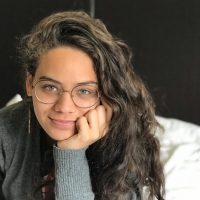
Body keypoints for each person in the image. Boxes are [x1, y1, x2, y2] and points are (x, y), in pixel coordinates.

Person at [0, 11, 165, 200]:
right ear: (30, 84)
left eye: (84, 91)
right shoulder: (5, 131)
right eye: (50, 87)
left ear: (105, 94)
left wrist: (71, 154)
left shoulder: (124, 147)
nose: (64, 107)